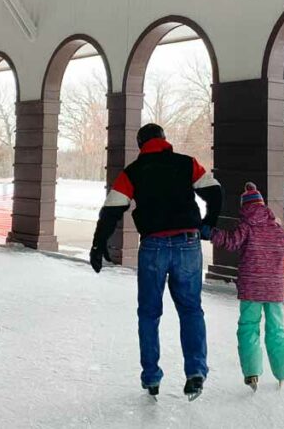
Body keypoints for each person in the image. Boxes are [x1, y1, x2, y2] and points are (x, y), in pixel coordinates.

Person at [89, 123, 222, 401]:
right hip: (188, 243)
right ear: (164, 140)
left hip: (153, 247)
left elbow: (111, 210)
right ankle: (195, 372)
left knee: (149, 314)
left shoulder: (133, 172)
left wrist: (98, 243)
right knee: (191, 310)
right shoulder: (186, 163)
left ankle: (151, 377)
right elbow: (215, 191)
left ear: (141, 145)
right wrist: (208, 223)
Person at [204, 182, 284, 391]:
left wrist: (211, 233)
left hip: (251, 289)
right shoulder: (276, 229)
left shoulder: (245, 227)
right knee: (276, 329)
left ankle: (252, 372)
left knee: (248, 328)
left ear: (244, 207)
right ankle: (282, 372)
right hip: (273, 289)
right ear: (263, 206)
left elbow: (230, 242)